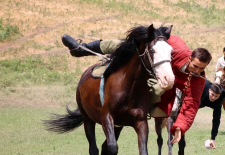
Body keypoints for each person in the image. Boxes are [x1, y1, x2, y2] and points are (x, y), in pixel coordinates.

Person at [61, 30, 212, 144]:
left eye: (202, 69)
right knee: (121, 45)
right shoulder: (176, 48)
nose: (197, 71)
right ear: (190, 57)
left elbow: (192, 105)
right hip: (148, 64)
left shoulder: (198, 79)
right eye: (196, 66)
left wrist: (180, 127)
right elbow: (160, 39)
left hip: (160, 85)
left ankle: (142, 109)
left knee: (160, 91)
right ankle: (80, 49)